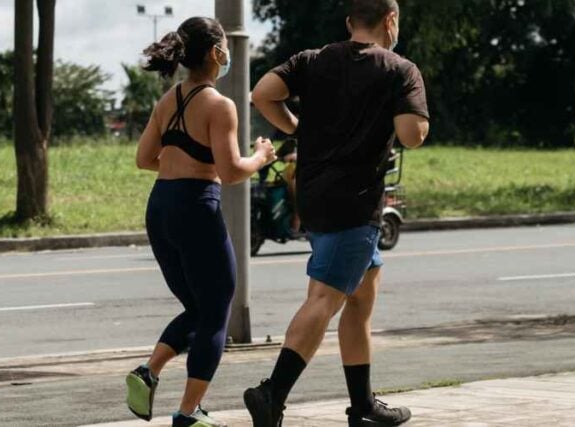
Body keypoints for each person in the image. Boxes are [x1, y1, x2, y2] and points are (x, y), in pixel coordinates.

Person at [243, 0, 429, 426]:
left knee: (362, 295)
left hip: (313, 195)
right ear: (390, 20)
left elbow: (261, 94)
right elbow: (411, 135)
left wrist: (295, 127)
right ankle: (272, 394)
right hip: (356, 200)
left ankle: (362, 405)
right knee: (324, 299)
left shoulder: (312, 59)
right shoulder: (400, 69)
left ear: (350, 23)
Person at [125, 16, 278, 427]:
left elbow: (143, 159)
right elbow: (230, 172)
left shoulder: (167, 99)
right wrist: (261, 156)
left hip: (160, 206)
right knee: (217, 310)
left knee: (198, 306)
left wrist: (180, 164)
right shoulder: (219, 105)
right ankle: (188, 414)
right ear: (215, 53)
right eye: (226, 46)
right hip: (196, 205)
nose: (228, 54)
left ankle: (148, 372)